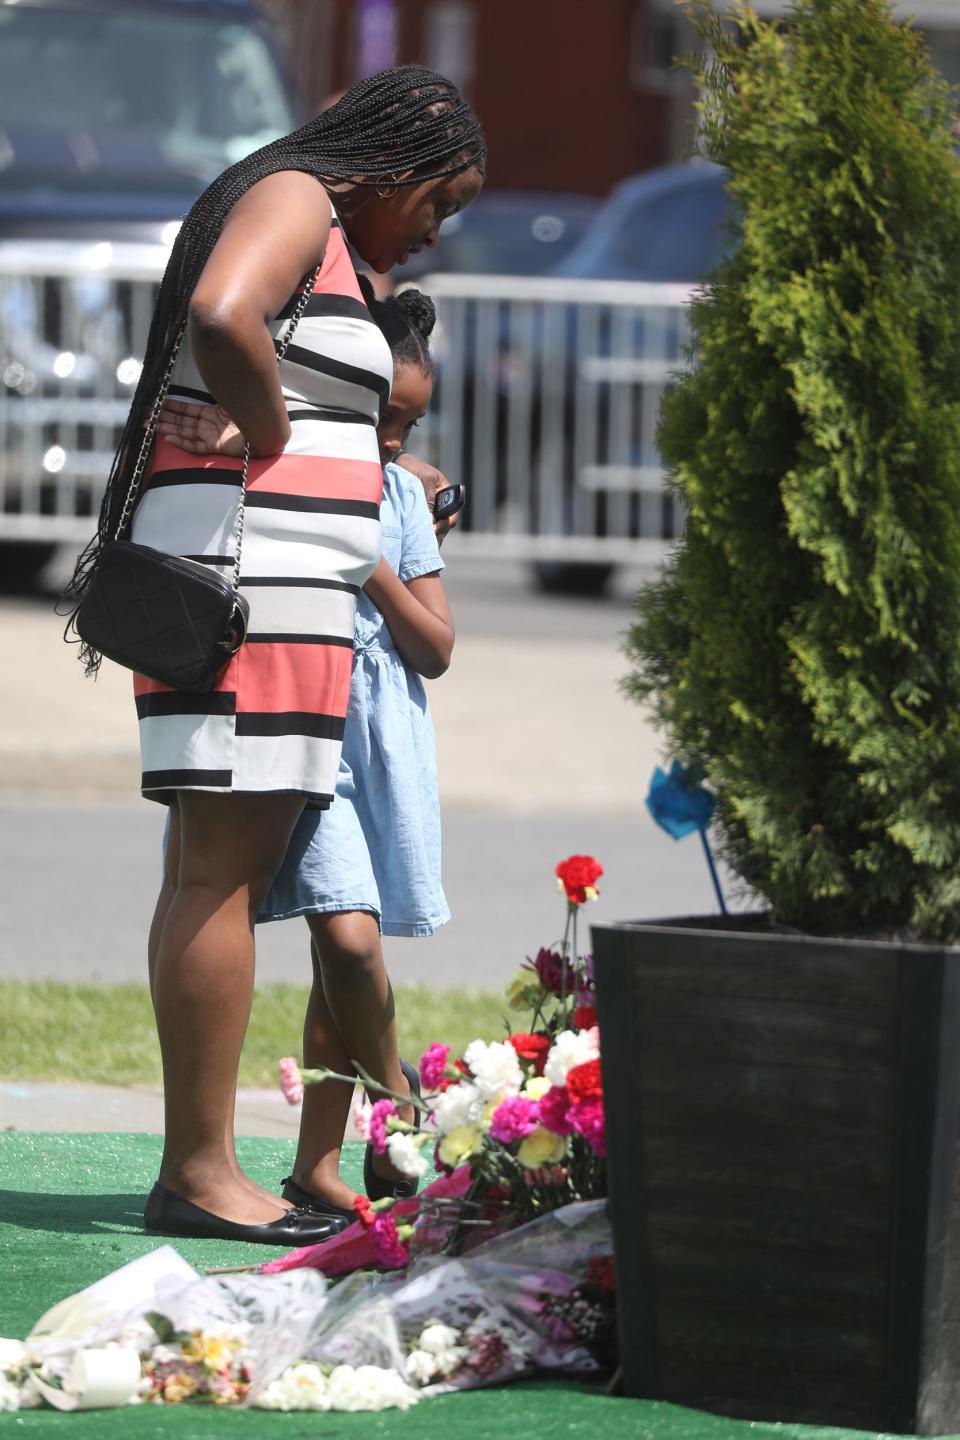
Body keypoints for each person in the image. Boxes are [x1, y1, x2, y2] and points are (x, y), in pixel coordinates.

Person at [63, 66, 484, 1246]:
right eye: (438, 203)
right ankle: (200, 1172)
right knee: (218, 879)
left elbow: (280, 354)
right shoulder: (299, 194)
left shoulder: (335, 242)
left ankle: (200, 1165)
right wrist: (273, 429)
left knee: (224, 877)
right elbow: (221, 313)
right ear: (395, 159)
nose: (434, 231)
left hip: (286, 596)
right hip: (248, 591)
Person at [259, 280, 452, 1227]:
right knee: (345, 935)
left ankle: (316, 1169)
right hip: (304, 729)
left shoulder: (398, 498)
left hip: (380, 741)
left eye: (409, 428)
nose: (392, 443)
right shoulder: (287, 456)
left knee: (344, 957)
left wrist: (369, 560)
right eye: (382, 417)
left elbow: (438, 647)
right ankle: (410, 1113)